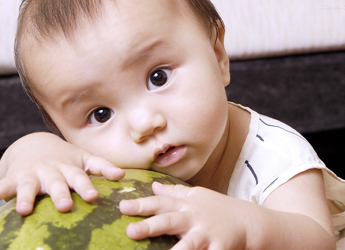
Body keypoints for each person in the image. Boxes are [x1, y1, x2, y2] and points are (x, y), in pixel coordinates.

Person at [0, 0, 344, 249]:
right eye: (100, 114)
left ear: (218, 55)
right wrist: (31, 152)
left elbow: (316, 238)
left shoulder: (276, 155)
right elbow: (40, 153)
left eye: (158, 77)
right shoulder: (100, 156)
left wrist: (245, 226)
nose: (143, 125)